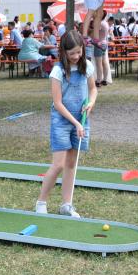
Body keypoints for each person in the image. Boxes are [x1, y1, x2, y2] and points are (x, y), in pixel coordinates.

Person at [34, 31, 97, 218]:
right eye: (72, 54)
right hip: (62, 121)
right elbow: (58, 103)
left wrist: (91, 102)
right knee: (59, 164)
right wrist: (76, 123)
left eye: (79, 52)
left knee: (71, 164)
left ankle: (66, 205)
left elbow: (93, 89)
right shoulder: (57, 71)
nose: (76, 56)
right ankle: (41, 202)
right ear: (64, 52)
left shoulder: (87, 66)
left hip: (81, 119)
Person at [94, 12, 112, 86]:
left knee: (99, 64)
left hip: (99, 44)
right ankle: (104, 79)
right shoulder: (105, 23)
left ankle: (99, 80)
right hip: (104, 43)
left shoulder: (99, 23)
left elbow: (95, 34)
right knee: (104, 62)